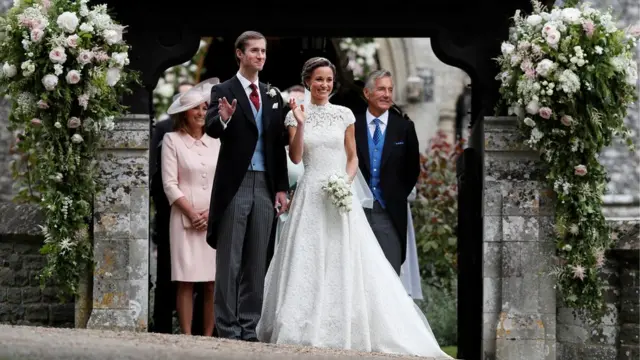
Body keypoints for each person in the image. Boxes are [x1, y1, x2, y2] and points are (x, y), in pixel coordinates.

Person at [256, 57, 451, 358]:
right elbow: (295, 158)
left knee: (343, 258)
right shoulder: (296, 115)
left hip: (338, 194)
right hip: (310, 194)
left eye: (329, 80)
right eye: (319, 79)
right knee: (307, 259)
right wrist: (301, 122)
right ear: (308, 81)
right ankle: (301, 327)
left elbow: (352, 157)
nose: (324, 85)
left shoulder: (345, 115)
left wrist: (344, 184)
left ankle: (347, 325)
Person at [204, 30, 289, 342]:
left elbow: (277, 145)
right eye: (254, 50)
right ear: (239, 54)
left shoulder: (272, 95)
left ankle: (249, 327)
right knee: (229, 260)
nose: (260, 56)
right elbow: (211, 129)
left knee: (256, 261)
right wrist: (223, 119)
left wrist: (281, 188)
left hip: (265, 186)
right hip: (235, 186)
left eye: (263, 51)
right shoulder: (222, 91)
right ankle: (227, 328)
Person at [162, 78, 221, 336]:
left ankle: (208, 337)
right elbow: (169, 183)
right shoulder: (171, 140)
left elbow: (224, 181)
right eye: (195, 108)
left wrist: (210, 214)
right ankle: (186, 335)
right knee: (185, 281)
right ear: (184, 113)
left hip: (213, 218)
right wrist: (192, 213)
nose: (200, 113)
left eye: (205, 107)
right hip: (183, 219)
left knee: (212, 282)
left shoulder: (218, 141)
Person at [354, 69, 420, 275]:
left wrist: (395, 195)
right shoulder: (350, 125)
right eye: (381, 89)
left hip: (389, 213)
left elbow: (412, 169)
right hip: (357, 213)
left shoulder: (404, 128)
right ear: (367, 93)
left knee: (389, 275)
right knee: (358, 274)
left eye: (390, 90)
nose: (387, 95)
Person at [150, 81, 194, 334]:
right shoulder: (165, 129)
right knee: (168, 269)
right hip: (170, 207)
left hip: (199, 209)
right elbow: (157, 170)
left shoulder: (205, 131)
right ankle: (163, 323)